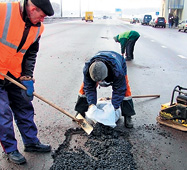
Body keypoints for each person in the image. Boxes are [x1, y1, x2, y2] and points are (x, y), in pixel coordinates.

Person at [0, 0, 54, 165]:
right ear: (33, 8)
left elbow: (30, 54)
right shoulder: (3, 11)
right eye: (42, 15)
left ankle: (31, 142)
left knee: (24, 106)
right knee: (3, 114)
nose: (43, 20)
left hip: (15, 75)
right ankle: (10, 149)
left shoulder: (38, 28)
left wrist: (27, 76)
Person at [74, 51, 136, 129]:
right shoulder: (87, 69)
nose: (100, 83)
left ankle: (128, 115)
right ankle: (80, 111)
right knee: (84, 89)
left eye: (101, 80)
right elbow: (89, 88)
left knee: (125, 90)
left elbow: (119, 90)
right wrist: (91, 104)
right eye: (97, 82)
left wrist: (114, 107)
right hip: (100, 57)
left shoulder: (117, 71)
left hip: (117, 61)